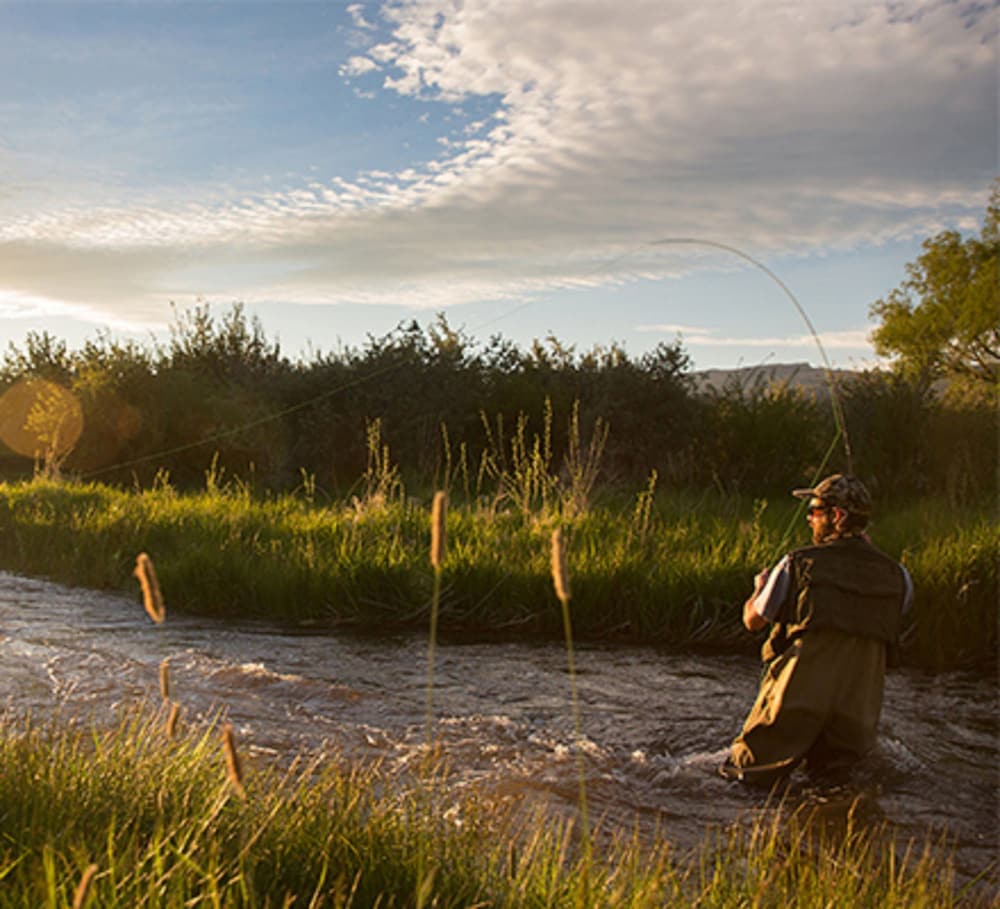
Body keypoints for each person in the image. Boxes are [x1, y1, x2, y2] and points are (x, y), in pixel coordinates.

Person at [720, 473, 912, 785]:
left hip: (797, 703)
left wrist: (759, 589)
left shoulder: (796, 564)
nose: (809, 518)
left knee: (744, 776)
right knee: (836, 785)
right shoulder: (898, 576)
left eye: (815, 511)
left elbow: (753, 620)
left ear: (836, 516)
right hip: (857, 713)